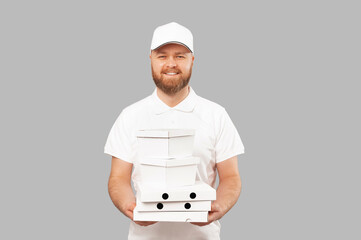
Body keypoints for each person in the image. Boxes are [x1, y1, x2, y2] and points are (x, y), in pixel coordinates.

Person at [104, 22, 245, 240]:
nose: (171, 64)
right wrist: (129, 206)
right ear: (150, 58)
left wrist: (219, 206)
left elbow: (231, 177)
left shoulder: (216, 115)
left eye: (180, 56)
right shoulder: (129, 116)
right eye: (162, 56)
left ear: (192, 60)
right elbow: (118, 178)